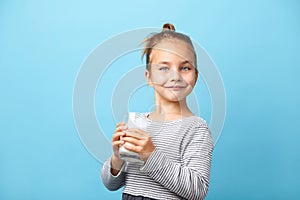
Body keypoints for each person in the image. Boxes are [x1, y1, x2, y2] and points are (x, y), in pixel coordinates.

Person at [101, 23, 214, 200]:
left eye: (185, 68)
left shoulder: (196, 128)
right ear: (149, 77)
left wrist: (150, 155)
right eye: (163, 68)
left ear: (196, 75)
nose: (175, 76)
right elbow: (110, 184)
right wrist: (117, 158)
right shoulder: (136, 122)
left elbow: (197, 191)